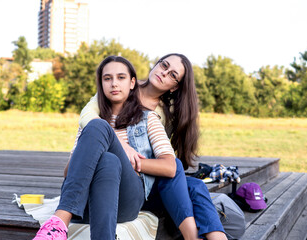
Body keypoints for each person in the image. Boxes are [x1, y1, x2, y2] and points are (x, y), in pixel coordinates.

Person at [77, 53, 227, 240]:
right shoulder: (121, 85)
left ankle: (216, 238)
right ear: (156, 64)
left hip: (147, 178)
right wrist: (120, 146)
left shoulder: (164, 114)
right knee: (175, 169)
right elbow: (87, 117)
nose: (164, 73)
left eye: (173, 75)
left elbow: (162, 155)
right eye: (164, 65)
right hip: (120, 175)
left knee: (194, 184)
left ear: (175, 86)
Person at [33, 56, 176, 240]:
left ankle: (59, 222)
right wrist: (90, 156)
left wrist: (128, 158)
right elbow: (69, 172)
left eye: (121, 77)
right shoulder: (90, 126)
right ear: (101, 84)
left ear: (132, 83)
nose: (114, 84)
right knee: (108, 160)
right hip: (85, 205)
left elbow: (170, 167)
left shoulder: (147, 119)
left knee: (101, 130)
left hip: (126, 200)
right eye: (107, 78)